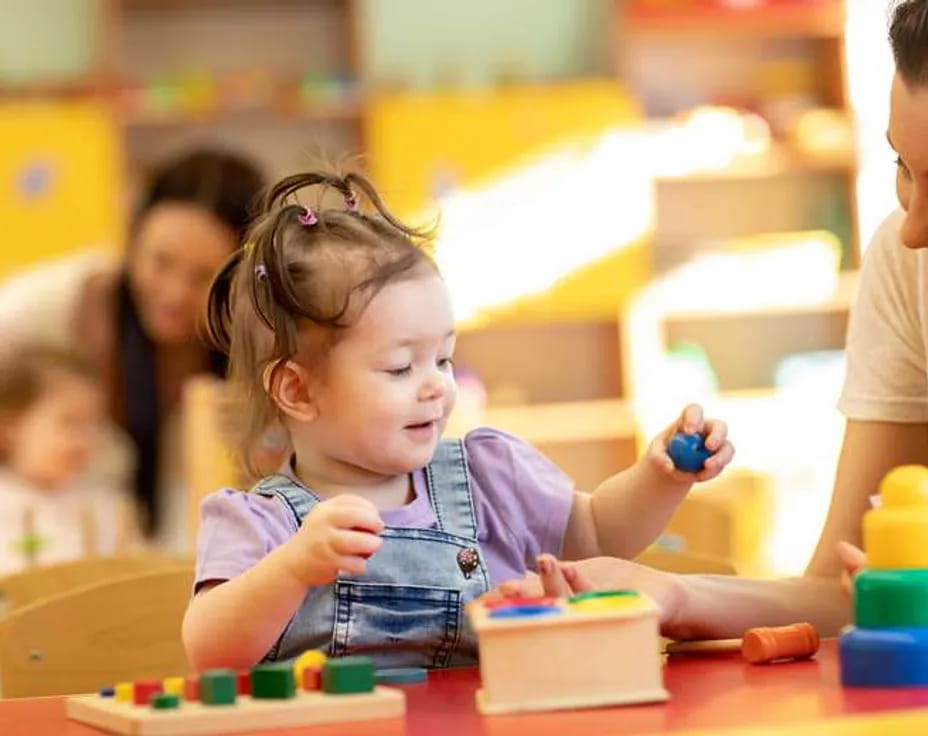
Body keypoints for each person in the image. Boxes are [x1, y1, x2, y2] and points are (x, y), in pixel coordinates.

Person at [491, 0, 928, 643]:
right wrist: (675, 594)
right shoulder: (904, 263)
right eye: (902, 167)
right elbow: (844, 595)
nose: (912, 226)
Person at [181, 170, 734, 670]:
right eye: (401, 367)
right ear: (297, 389)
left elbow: (598, 535)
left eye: (443, 358)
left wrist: (661, 477)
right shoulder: (262, 525)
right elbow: (211, 649)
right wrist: (294, 569)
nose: (436, 385)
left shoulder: (489, 477)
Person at [0, 149, 265, 549]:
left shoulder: (255, 335)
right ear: (132, 241)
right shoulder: (60, 303)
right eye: (160, 262)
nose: (174, 293)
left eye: (202, 276)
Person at [0, 346, 136, 574]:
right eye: (69, 423)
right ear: (11, 426)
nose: (85, 439)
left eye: (94, 424)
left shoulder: (106, 506)